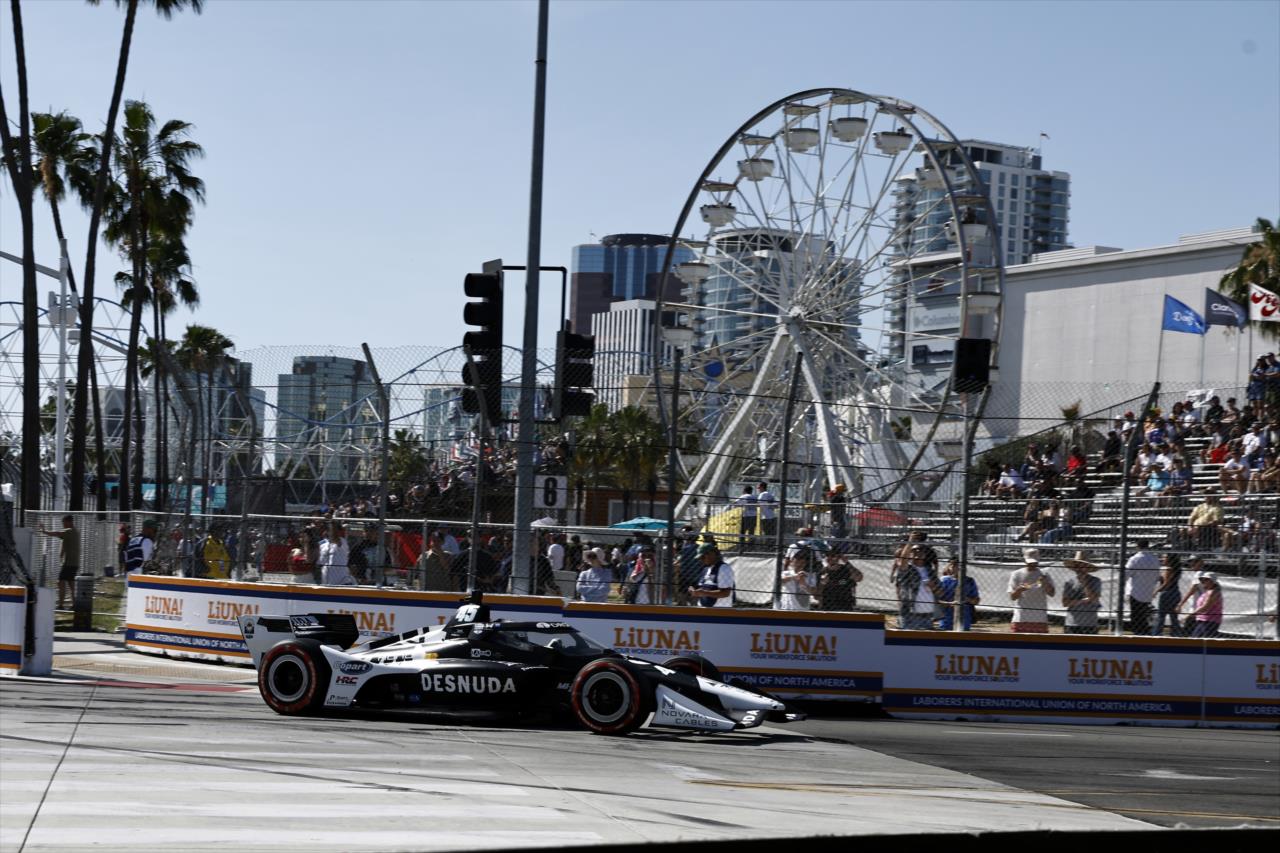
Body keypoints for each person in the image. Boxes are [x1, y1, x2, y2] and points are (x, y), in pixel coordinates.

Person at [1008, 548, 1055, 633]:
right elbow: (1012, 597)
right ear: (1025, 560)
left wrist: (1045, 583)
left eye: (1034, 562)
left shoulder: (1044, 574)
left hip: (1040, 618)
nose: (1032, 564)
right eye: (1030, 562)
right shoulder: (1016, 574)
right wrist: (1020, 590)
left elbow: (1052, 593)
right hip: (1021, 617)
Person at [895, 543, 942, 630]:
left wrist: (933, 587)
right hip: (910, 613)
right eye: (914, 550)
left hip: (928, 614)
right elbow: (902, 561)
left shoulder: (929, 570)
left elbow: (940, 592)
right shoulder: (907, 568)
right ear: (910, 554)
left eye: (920, 550)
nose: (917, 551)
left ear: (925, 554)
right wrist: (910, 541)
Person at [38, 515, 80, 609]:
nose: (63, 525)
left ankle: (61, 605)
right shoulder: (76, 532)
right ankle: (74, 604)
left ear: (69, 522)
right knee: (71, 584)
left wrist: (44, 531)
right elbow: (66, 544)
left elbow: (57, 533)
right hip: (74, 563)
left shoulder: (69, 531)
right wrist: (61, 554)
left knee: (61, 582)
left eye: (64, 523)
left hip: (69, 563)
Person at [1124, 539, 1160, 635]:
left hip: (1135, 592)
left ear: (1137, 546)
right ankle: (1144, 633)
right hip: (1148, 592)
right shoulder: (1155, 559)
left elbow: (1126, 574)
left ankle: (1138, 634)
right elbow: (1157, 577)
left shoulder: (1135, 559)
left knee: (1136, 616)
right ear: (1148, 546)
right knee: (1144, 616)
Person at [1060, 551, 1102, 634]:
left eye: (1081, 565)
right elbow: (1065, 603)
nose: (1079, 568)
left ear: (1087, 567)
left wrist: (1085, 583)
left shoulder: (1095, 581)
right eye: (1077, 565)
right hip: (1072, 623)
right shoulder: (1069, 582)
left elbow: (1093, 599)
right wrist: (1082, 601)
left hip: (1090, 623)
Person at [936, 558, 980, 631]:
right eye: (952, 565)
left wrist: (966, 599)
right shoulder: (944, 580)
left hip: (964, 618)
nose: (954, 567)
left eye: (958, 565)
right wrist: (950, 603)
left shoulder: (969, 581)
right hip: (947, 618)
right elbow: (937, 600)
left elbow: (976, 600)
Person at [688, 542, 734, 608]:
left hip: (719, 611)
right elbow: (704, 588)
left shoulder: (724, 569)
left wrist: (704, 593)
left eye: (703, 557)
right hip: (704, 609)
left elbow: (725, 593)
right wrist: (695, 591)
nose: (701, 560)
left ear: (712, 554)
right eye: (700, 558)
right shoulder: (706, 569)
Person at [817, 547, 862, 611]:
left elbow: (859, 578)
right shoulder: (823, 572)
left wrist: (846, 562)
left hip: (845, 605)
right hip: (828, 606)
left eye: (832, 556)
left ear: (838, 557)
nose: (829, 558)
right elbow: (817, 595)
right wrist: (822, 583)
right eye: (827, 555)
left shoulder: (846, 569)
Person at [1181, 571, 1223, 637]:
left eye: (1206, 580)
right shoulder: (1207, 591)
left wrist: (1190, 615)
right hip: (1202, 619)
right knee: (1195, 639)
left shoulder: (1214, 592)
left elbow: (1206, 607)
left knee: (1203, 641)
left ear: (1212, 581)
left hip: (1210, 621)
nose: (1203, 581)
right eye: (1202, 579)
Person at [1152, 552, 1184, 636]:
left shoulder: (1168, 569)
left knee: (1161, 617)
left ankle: (1156, 634)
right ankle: (1177, 634)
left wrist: (1155, 591)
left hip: (1167, 593)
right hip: (1176, 593)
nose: (1162, 559)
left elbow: (1166, 584)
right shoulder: (1176, 569)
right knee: (1174, 617)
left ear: (1169, 559)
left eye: (1164, 557)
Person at [778, 545, 818, 611]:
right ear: (792, 561)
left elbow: (813, 591)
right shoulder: (786, 573)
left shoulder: (810, 575)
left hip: (803, 609)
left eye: (803, 561)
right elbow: (779, 582)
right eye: (797, 560)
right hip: (787, 608)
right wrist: (794, 577)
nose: (800, 563)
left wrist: (804, 583)